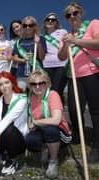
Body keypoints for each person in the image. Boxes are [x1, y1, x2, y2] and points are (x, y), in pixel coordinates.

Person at [58, 2, 99, 163]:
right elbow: (62, 57)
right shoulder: (66, 36)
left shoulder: (93, 24)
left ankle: (97, 144)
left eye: (75, 13)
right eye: (69, 15)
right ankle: (79, 134)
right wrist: (66, 45)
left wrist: (77, 41)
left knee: (96, 111)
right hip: (74, 76)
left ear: (81, 13)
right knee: (74, 110)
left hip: (92, 73)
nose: (72, 17)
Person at [25, 70, 70, 179]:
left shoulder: (52, 95)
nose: (38, 86)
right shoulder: (31, 98)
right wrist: (30, 123)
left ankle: (53, 160)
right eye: (34, 84)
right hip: (42, 130)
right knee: (30, 140)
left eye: (41, 83)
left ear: (47, 83)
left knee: (50, 128)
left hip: (61, 133)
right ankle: (46, 148)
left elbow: (56, 120)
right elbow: (30, 116)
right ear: (30, 86)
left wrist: (35, 122)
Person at [0, 72, 28, 175]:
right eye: (1, 84)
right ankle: (3, 153)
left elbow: (9, 118)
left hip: (18, 139)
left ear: (12, 83)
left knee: (9, 129)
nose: (4, 86)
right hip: (0, 136)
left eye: (6, 82)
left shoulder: (22, 99)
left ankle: (12, 159)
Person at [12, 16, 47, 91]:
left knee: (36, 99)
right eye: (25, 25)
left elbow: (42, 58)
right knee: (22, 99)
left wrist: (38, 44)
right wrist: (23, 60)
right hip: (21, 75)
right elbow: (14, 58)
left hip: (37, 75)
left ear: (34, 26)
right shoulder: (19, 42)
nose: (27, 27)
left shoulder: (41, 39)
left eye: (30, 25)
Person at [42, 13, 68, 104]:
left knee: (57, 90)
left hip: (61, 65)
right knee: (48, 91)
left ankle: (59, 114)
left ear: (56, 22)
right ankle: (52, 112)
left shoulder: (63, 32)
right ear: (45, 22)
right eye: (48, 19)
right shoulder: (42, 37)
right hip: (46, 66)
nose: (50, 21)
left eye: (53, 20)